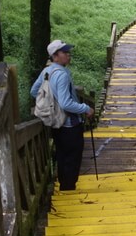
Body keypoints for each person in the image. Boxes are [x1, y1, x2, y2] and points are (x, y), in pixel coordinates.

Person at [31, 40, 94, 191]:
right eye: (64, 52)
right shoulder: (62, 75)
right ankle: (68, 189)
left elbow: (34, 91)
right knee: (72, 157)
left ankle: (65, 188)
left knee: (62, 155)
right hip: (69, 123)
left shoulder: (47, 71)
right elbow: (66, 103)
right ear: (55, 56)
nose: (68, 55)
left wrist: (50, 104)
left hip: (55, 122)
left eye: (68, 52)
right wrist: (86, 108)